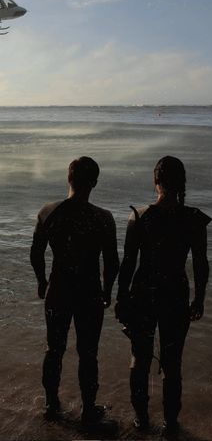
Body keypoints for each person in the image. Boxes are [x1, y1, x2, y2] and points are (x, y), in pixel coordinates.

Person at [115, 156, 211, 437]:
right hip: (176, 294)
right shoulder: (193, 219)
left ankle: (141, 419)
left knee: (139, 358)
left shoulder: (140, 216)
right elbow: (200, 264)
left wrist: (121, 298)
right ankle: (170, 423)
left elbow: (128, 264)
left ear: (155, 181)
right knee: (172, 362)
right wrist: (200, 298)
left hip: (142, 293)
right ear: (182, 182)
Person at [30, 156, 119, 422]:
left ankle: (51, 404)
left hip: (58, 288)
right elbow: (112, 261)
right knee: (88, 353)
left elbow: (36, 252)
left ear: (68, 178)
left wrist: (42, 281)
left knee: (54, 349)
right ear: (94, 183)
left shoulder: (49, 211)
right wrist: (107, 290)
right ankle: (88, 409)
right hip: (89, 291)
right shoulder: (103, 218)